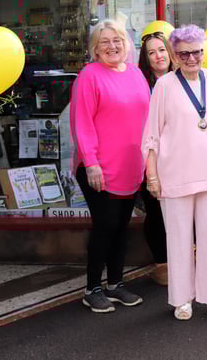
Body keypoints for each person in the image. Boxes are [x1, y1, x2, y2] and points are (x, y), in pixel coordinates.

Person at [143, 24, 207, 322]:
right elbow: (151, 134)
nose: (191, 58)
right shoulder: (164, 86)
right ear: (174, 55)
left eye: (196, 52)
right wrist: (152, 175)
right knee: (179, 237)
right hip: (174, 174)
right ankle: (182, 298)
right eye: (184, 53)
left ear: (203, 52)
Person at [70, 20, 149, 313]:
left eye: (117, 40)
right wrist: (91, 162)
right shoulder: (89, 76)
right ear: (95, 49)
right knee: (105, 227)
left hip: (130, 166)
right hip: (99, 167)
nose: (112, 46)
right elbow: (82, 123)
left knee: (121, 227)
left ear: (126, 44)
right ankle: (92, 288)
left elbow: (147, 117)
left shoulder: (137, 74)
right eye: (104, 42)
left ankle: (115, 284)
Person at [137, 31, 173, 286]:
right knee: (156, 212)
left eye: (162, 50)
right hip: (150, 158)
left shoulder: (184, 80)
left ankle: (186, 259)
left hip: (180, 157)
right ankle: (163, 265)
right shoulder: (141, 85)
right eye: (152, 52)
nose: (158, 56)